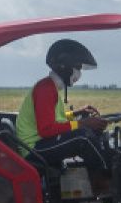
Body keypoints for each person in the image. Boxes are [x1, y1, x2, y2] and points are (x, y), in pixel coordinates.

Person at [15, 38, 112, 170]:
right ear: (65, 67)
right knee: (83, 138)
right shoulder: (45, 89)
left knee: (85, 134)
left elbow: (55, 119)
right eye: (77, 67)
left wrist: (77, 114)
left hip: (39, 143)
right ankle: (105, 179)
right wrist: (83, 123)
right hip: (33, 149)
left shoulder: (50, 87)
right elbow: (46, 130)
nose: (79, 73)